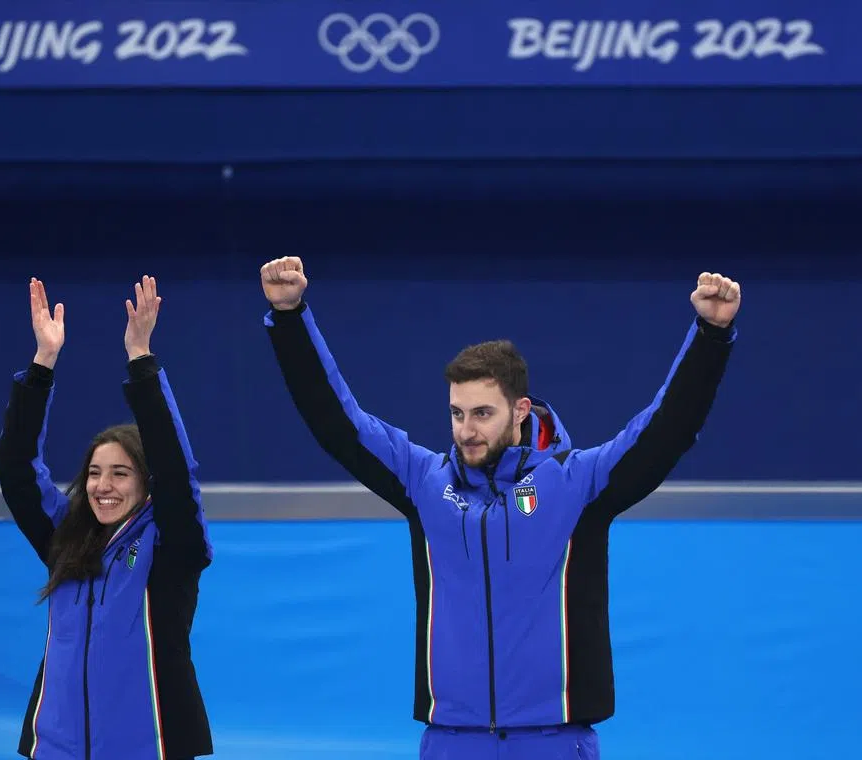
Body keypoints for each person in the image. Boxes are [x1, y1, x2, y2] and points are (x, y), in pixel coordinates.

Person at [259, 256, 739, 760]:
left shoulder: (577, 484)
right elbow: (338, 423)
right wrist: (291, 318)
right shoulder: (424, 482)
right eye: (457, 413)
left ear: (520, 411)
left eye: (483, 413)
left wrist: (709, 335)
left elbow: (665, 431)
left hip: (554, 740)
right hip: (450, 741)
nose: (467, 429)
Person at [0, 275, 214, 760]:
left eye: (119, 473)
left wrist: (142, 359)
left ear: (146, 482)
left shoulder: (170, 547)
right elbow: (15, 469)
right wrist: (42, 365)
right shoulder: (65, 536)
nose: (102, 486)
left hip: (150, 748)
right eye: (94, 473)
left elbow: (177, 472)